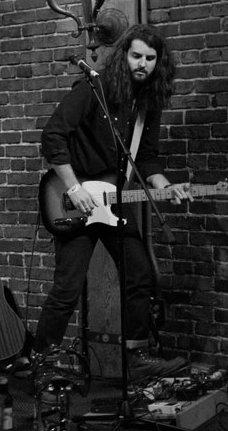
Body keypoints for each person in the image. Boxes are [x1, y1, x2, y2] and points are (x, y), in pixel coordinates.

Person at [33, 24, 192, 382]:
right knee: (67, 288)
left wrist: (164, 185)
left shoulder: (147, 104)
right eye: (137, 56)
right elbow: (53, 135)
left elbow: (147, 157)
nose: (143, 64)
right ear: (124, 56)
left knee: (140, 276)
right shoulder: (94, 88)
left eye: (151, 59)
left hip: (116, 201)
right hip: (78, 202)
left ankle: (135, 359)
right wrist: (74, 188)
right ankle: (41, 363)